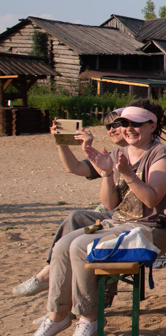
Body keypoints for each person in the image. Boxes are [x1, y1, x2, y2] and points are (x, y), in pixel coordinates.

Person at [26, 102, 166, 336]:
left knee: (79, 246)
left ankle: (89, 318)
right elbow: (110, 205)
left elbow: (151, 199)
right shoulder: (121, 154)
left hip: (150, 231)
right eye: (124, 124)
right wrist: (108, 175)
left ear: (152, 125)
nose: (128, 129)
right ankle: (57, 315)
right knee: (63, 245)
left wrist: (128, 174)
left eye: (136, 124)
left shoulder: (161, 154)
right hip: (119, 224)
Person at [13, 111, 126, 298]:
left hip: (127, 217)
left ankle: (51, 279)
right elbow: (73, 168)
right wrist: (62, 141)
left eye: (117, 124)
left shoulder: (141, 154)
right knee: (79, 225)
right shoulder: (112, 155)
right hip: (113, 213)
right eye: (108, 127)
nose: (112, 130)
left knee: (78, 220)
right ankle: (59, 297)